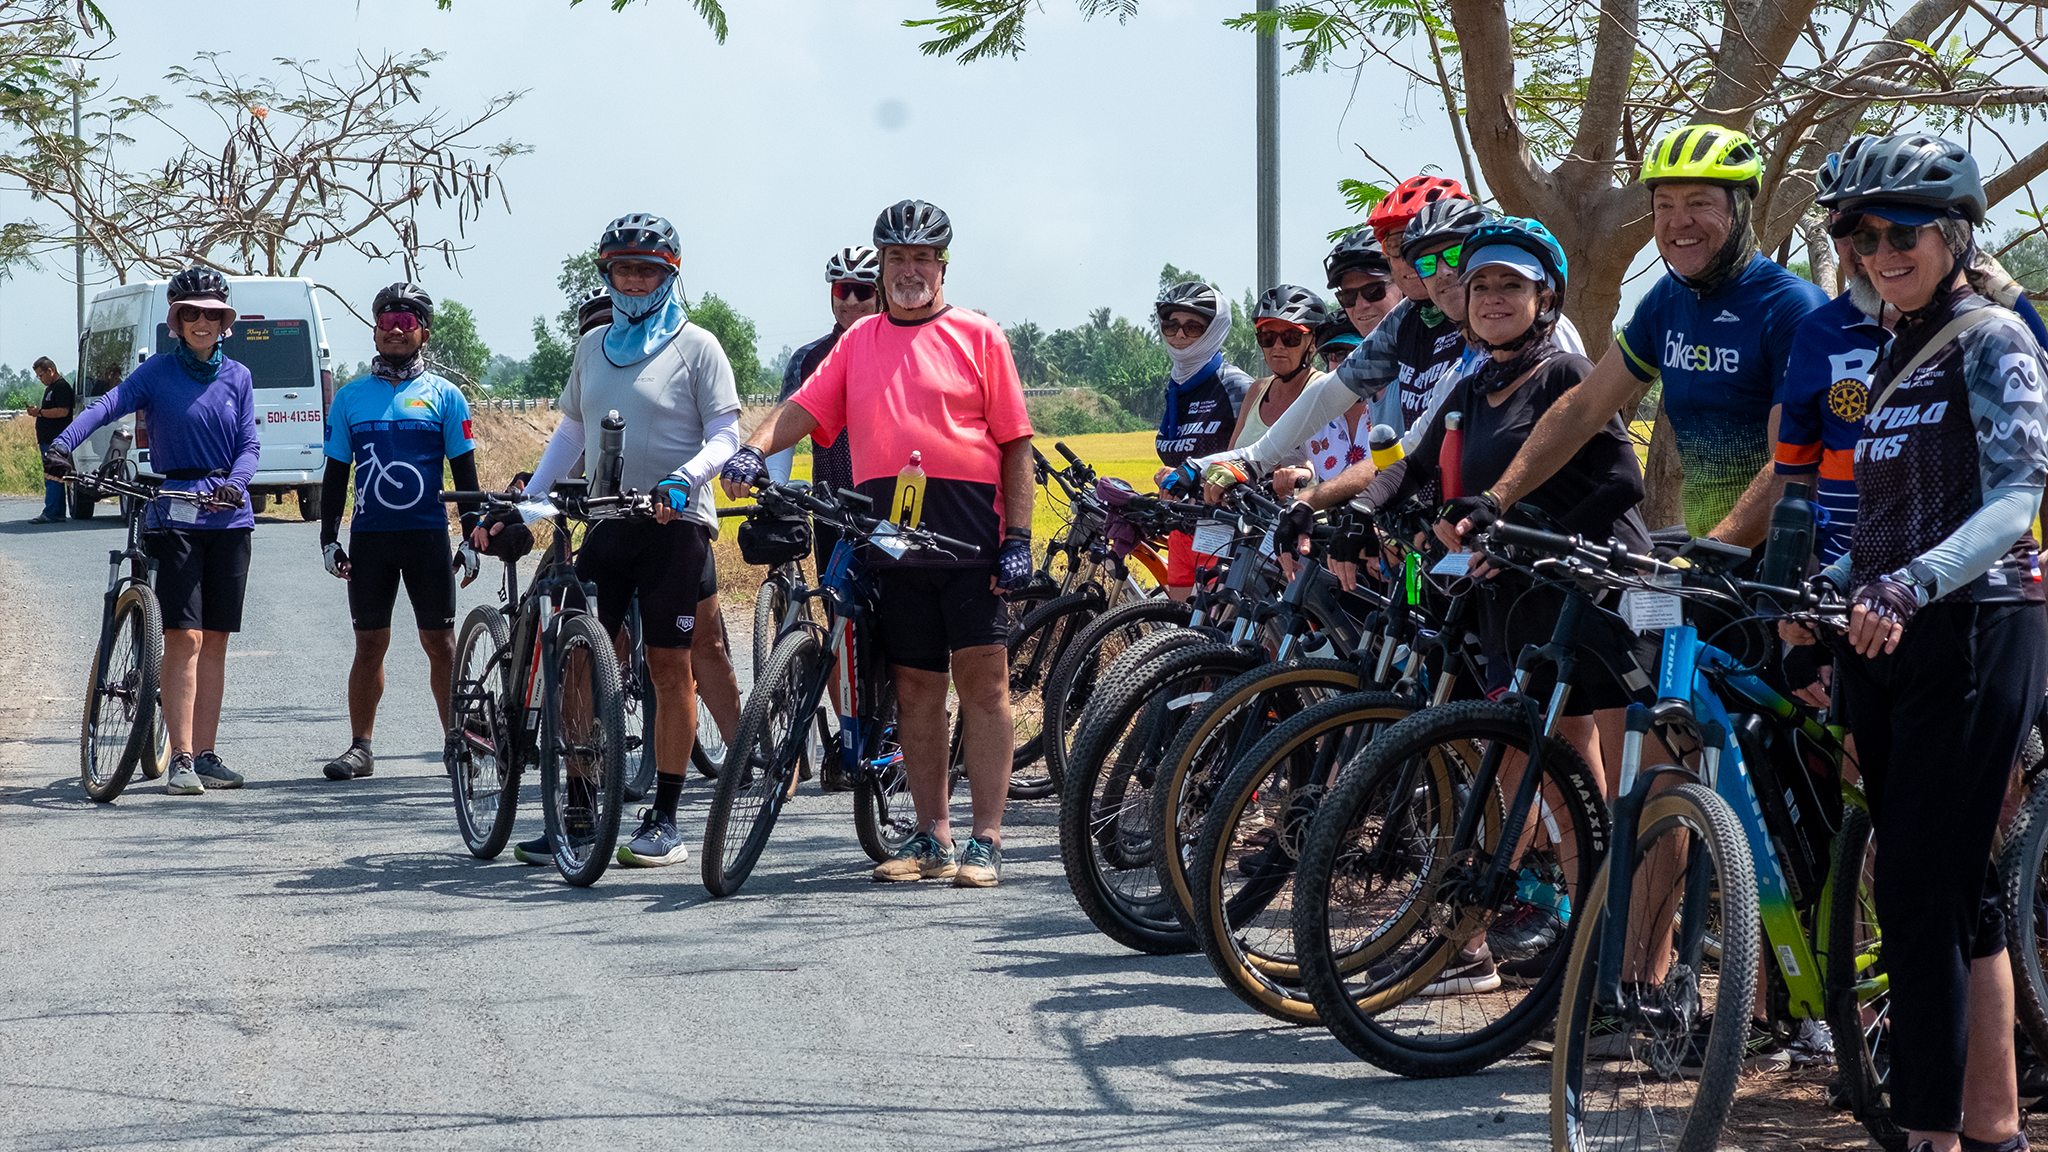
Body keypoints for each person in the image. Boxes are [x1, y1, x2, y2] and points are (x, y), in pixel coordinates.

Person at [1791, 131, 2046, 1152]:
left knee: (1912, 893)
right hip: (1889, 634)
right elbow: (1872, 508)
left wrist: (1907, 580)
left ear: (1948, 232)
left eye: (1899, 231)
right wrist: (1824, 589)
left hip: (1975, 625)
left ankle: (1926, 1132)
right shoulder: (1895, 340)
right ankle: (1988, 1129)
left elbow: (2018, 496)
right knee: (1950, 885)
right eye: (1856, 233)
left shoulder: (1990, 337)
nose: (1877, 250)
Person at [1368, 216, 1650, 991]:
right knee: (1538, 768)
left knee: (1595, 782)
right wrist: (1359, 514)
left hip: (1588, 596)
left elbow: (1622, 483)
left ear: (1545, 297)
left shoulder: (1564, 374)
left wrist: (1532, 530)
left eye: (1511, 286)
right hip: (1515, 601)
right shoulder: (1476, 382)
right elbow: (1415, 468)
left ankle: (1603, 948)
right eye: (1483, 285)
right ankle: (1529, 937)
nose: (1493, 298)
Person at [721, 199, 1034, 889]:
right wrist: (753, 449)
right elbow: (804, 407)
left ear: (942, 265)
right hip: (888, 543)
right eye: (897, 258)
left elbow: (1015, 446)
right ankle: (933, 837)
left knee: (984, 687)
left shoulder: (982, 337)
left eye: (923, 257)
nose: (909, 270)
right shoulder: (857, 342)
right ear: (884, 265)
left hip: (970, 540)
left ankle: (985, 840)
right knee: (917, 692)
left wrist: (1018, 538)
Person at [1441, 124, 1829, 551]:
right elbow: (1584, 408)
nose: (1679, 221)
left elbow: (1790, 462)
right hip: (1708, 556)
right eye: (1664, 205)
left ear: (1739, 207)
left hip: (1779, 561)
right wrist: (1496, 500)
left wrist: (1711, 554)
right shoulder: (1669, 299)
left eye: (1699, 203)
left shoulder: (1792, 307)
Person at [499, 213, 744, 869]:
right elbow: (572, 435)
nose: (634, 280)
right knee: (579, 660)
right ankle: (577, 811)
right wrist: (529, 505)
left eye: (647, 270)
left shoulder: (698, 347)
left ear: (670, 275)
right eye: (623, 269)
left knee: (670, 668)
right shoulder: (593, 346)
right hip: (611, 521)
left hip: (676, 524)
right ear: (607, 274)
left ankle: (664, 817)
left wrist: (683, 479)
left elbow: (726, 434)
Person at [43, 268, 259, 795]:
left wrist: (235, 484)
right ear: (176, 321)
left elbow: (249, 445)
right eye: (192, 313)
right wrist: (63, 444)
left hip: (229, 517)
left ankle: (205, 754)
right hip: (172, 511)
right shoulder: (156, 373)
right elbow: (105, 406)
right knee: (183, 636)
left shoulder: (239, 377)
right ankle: (181, 759)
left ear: (224, 321)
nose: (202, 321)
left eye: (212, 313)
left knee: (215, 641)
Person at [316, 284, 481, 781]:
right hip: (371, 539)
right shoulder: (350, 398)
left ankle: (457, 741)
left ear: (423, 334)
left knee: (441, 644)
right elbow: (335, 474)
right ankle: (360, 748)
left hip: (427, 534)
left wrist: (471, 537)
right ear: (374, 329)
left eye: (405, 322)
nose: (394, 329)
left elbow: (466, 477)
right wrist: (328, 539)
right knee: (369, 645)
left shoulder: (446, 397)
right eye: (386, 320)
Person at [1148, 280, 1253, 600]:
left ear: (1213, 330)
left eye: (1193, 327)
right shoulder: (1176, 385)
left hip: (1224, 530)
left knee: (1216, 635)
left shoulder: (1236, 387)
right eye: (1171, 325)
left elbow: (1255, 456)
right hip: (1182, 526)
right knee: (1181, 630)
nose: (1179, 335)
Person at [770, 246, 882, 491]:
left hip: (891, 510)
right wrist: (776, 485)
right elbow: (783, 432)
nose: (850, 300)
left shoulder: (900, 352)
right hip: (828, 508)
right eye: (842, 290)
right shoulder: (807, 359)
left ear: (880, 295)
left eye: (863, 291)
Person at [26, 356, 75, 524]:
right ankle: (58, 512)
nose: (40, 379)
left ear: (50, 370)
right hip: (49, 440)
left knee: (52, 476)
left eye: (41, 375)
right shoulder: (51, 388)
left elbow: (62, 411)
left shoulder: (61, 387)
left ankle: (51, 511)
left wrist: (39, 412)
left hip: (55, 440)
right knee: (56, 476)